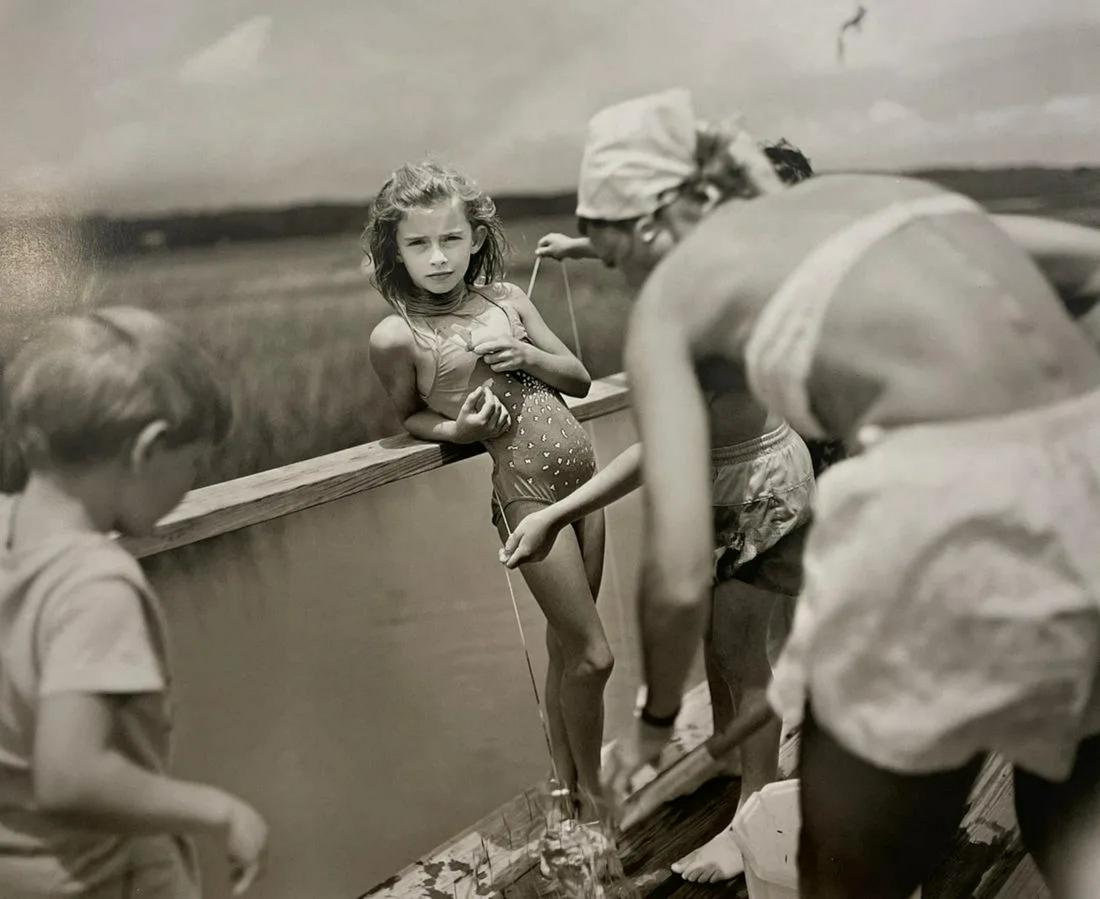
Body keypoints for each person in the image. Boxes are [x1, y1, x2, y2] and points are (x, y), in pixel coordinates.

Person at [585, 89, 1100, 898]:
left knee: (848, 870)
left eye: (615, 255)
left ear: (651, 224)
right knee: (1074, 791)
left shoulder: (674, 304)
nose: (626, 280)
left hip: (936, 527)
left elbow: (679, 573)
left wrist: (653, 726)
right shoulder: (884, 201)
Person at [498, 136, 820, 883]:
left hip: (755, 491)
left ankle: (752, 817)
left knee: (744, 662)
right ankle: (745, 771)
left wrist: (554, 512)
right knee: (717, 648)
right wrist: (581, 245)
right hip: (717, 486)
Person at [364, 161, 611, 819]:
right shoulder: (398, 335)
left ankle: (570, 801)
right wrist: (461, 426)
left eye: (450, 238)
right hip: (529, 497)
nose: (437, 257)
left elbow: (579, 378)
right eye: (417, 244)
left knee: (567, 648)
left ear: (476, 236)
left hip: (585, 485)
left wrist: (524, 353)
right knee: (594, 657)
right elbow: (409, 418)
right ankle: (594, 798)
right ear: (394, 250)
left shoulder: (508, 298)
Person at [0, 307, 269, 898]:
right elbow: (71, 777)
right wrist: (217, 811)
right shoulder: (95, 585)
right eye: (194, 464)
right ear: (147, 449)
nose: (191, 485)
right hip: (102, 876)